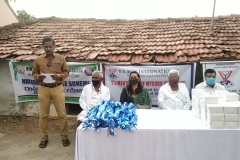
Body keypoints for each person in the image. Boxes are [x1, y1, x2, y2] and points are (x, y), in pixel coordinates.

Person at [32, 36, 70, 148]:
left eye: (50, 46)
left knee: (62, 115)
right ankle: (44, 138)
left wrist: (59, 76)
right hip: (43, 88)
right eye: (46, 46)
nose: (48, 48)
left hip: (57, 87)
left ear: (54, 46)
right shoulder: (38, 60)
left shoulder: (60, 58)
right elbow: (34, 73)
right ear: (43, 47)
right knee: (43, 115)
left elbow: (66, 72)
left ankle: (64, 137)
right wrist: (37, 77)